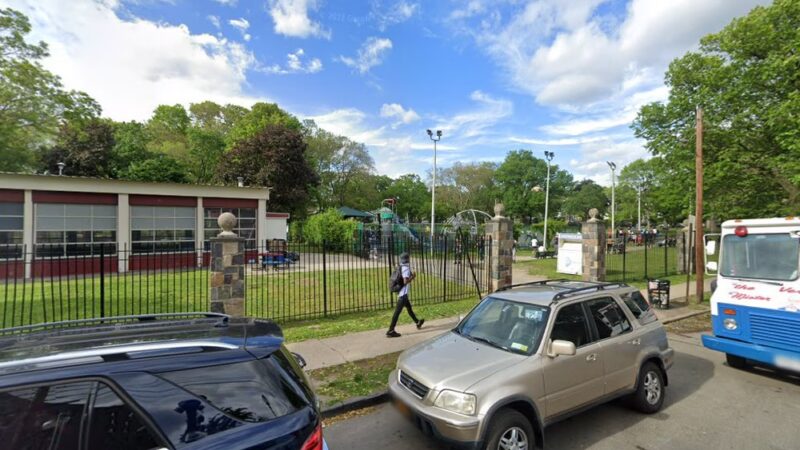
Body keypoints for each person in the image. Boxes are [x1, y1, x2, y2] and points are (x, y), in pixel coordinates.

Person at [387, 253, 424, 337]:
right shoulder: (405, 268)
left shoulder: (401, 267)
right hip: (403, 295)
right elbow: (405, 281)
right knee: (397, 313)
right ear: (407, 259)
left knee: (409, 309)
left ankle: (418, 322)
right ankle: (390, 330)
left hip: (403, 294)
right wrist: (413, 277)